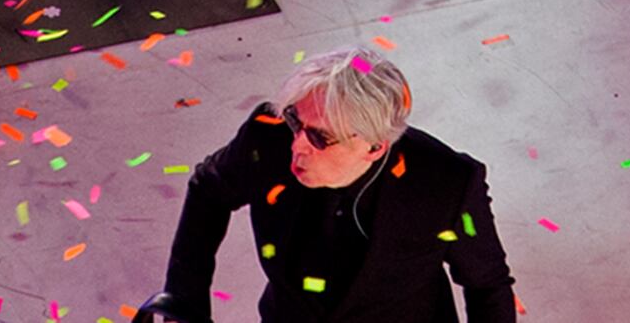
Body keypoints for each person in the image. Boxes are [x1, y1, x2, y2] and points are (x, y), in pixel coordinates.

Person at [142, 45, 521, 323]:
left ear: (374, 147)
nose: (297, 145)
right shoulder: (269, 136)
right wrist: (183, 302)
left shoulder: (445, 183)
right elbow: (209, 190)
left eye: (321, 138)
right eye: (295, 121)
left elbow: (488, 287)